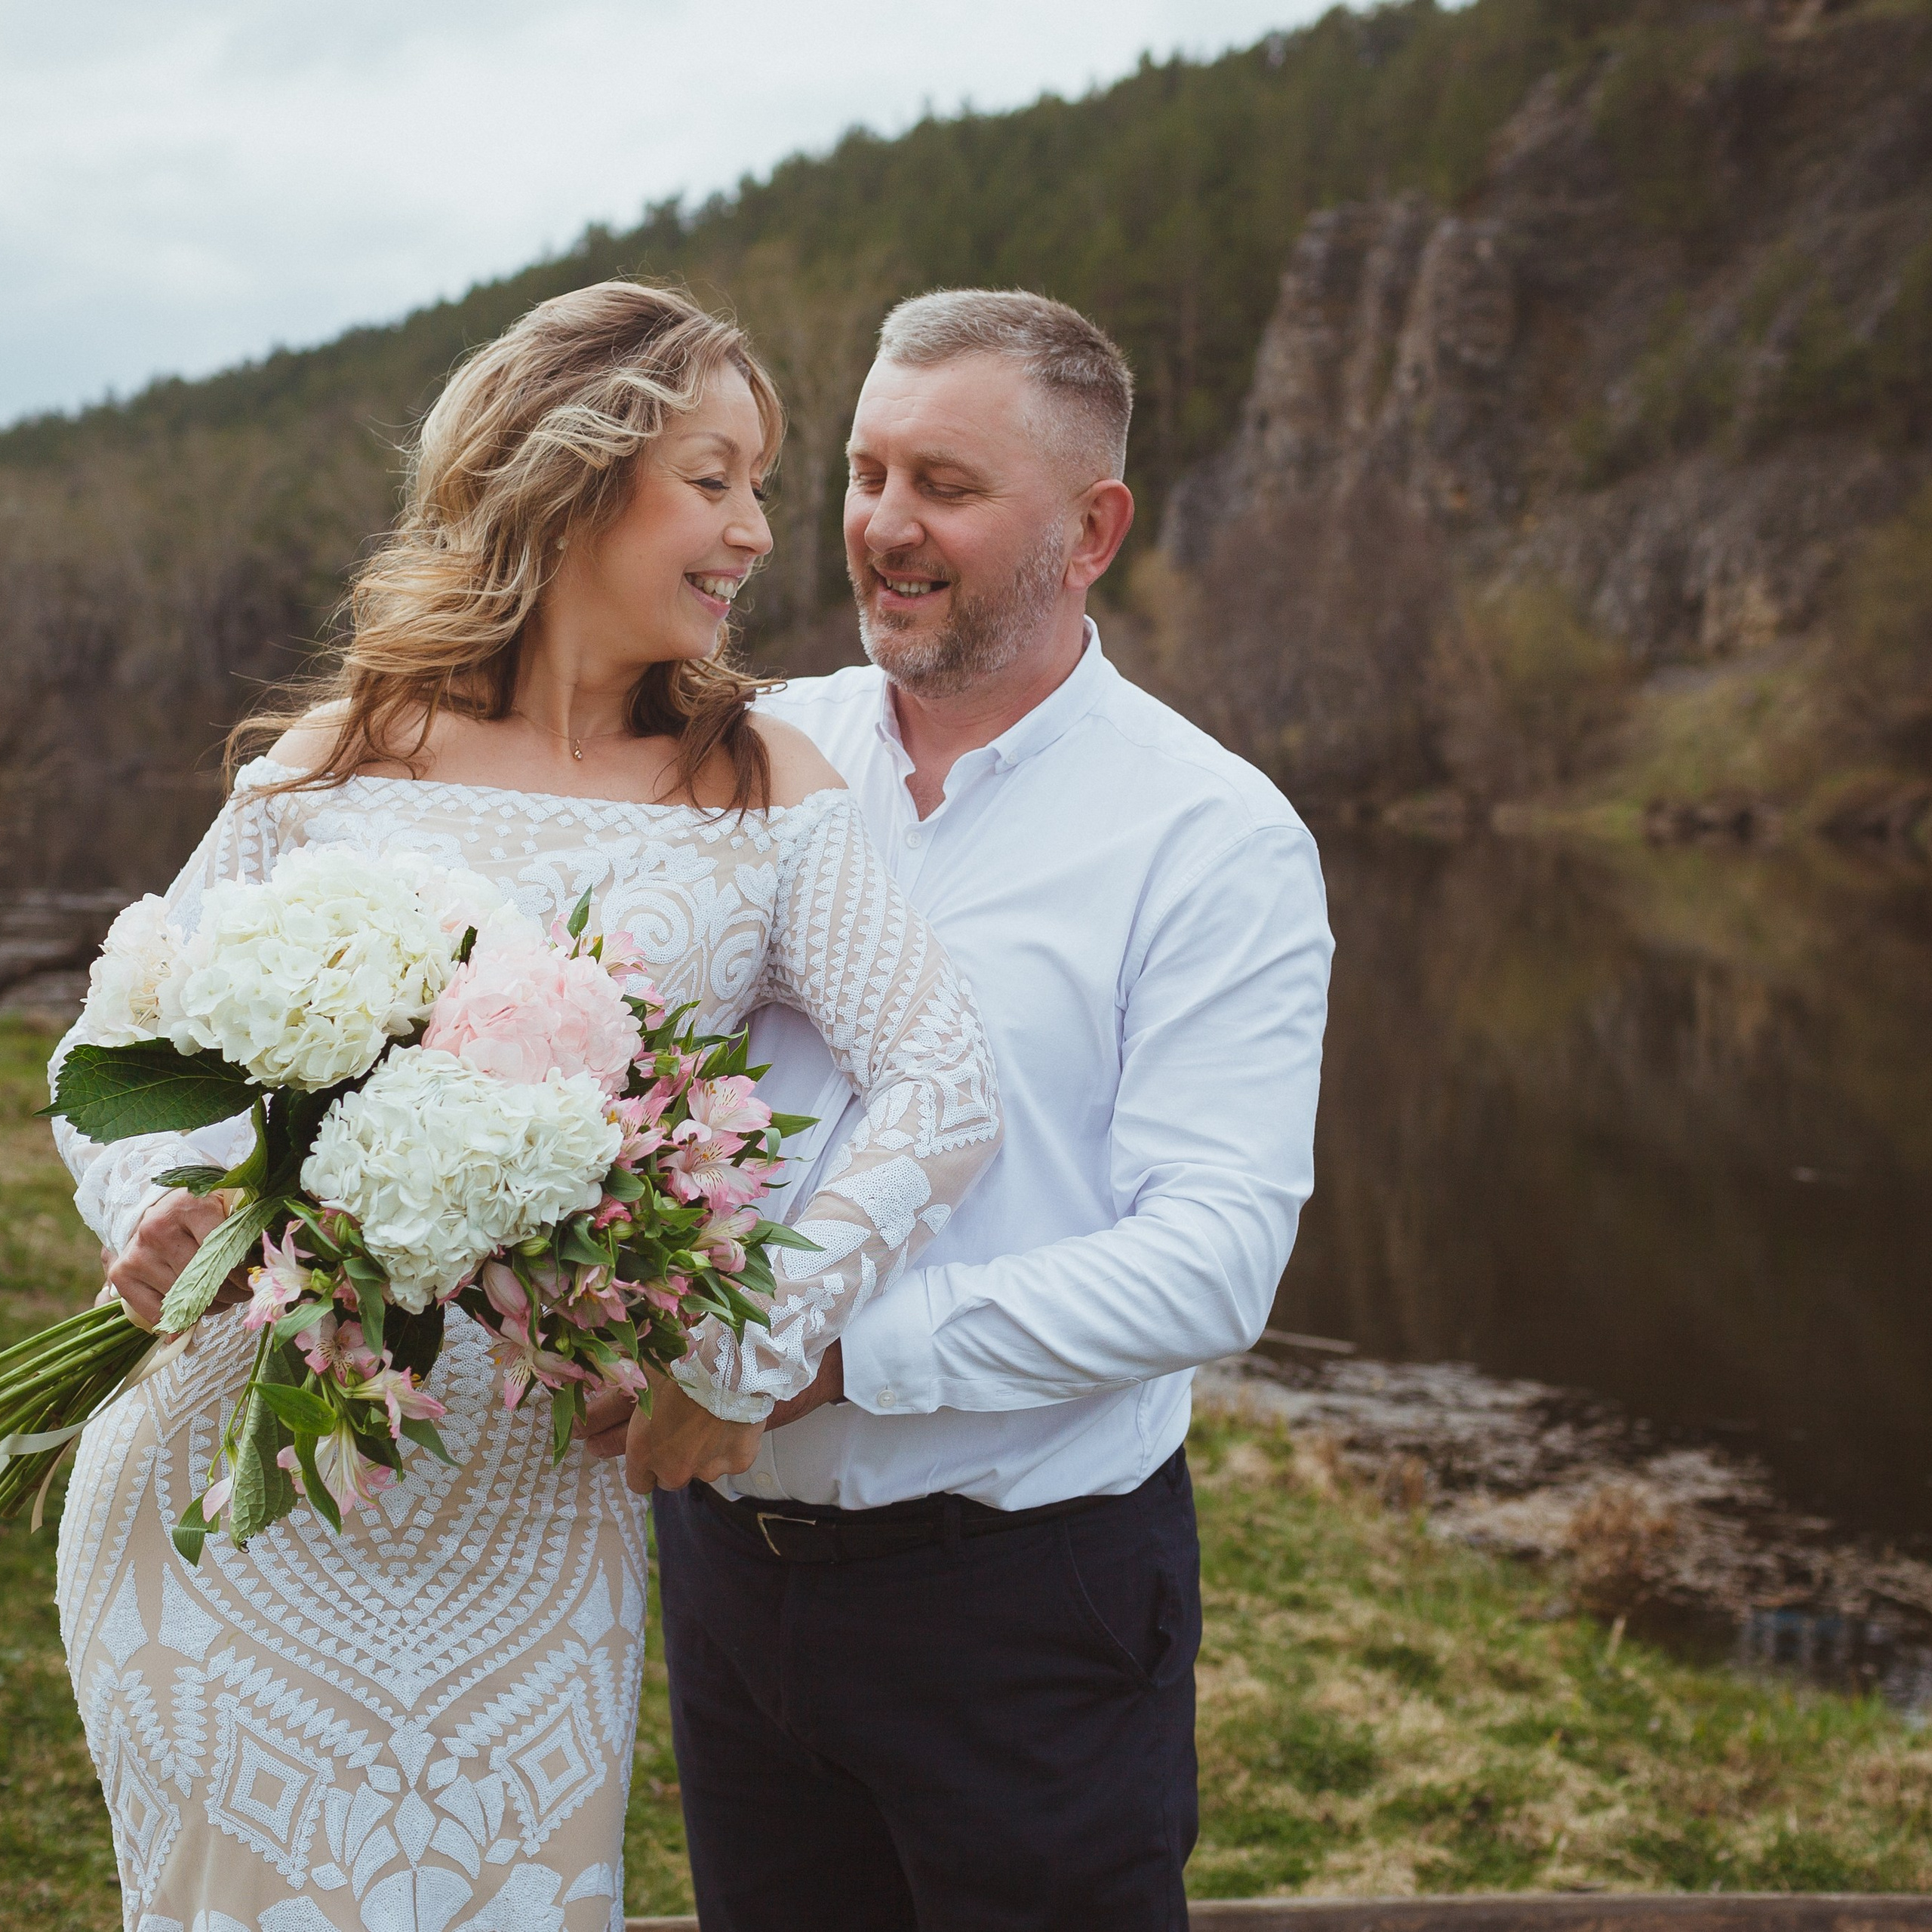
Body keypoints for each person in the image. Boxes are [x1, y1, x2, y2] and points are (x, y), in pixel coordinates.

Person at [49, 281, 1001, 1932]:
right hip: (247, 1469)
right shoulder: (337, 758)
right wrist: (153, 1207)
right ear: (571, 476)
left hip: (531, 1507)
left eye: (761, 484)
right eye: (712, 479)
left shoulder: (761, 785)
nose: (756, 530)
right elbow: (110, 1049)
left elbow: (947, 1084)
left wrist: (745, 1352)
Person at [617, 291, 1333, 1930]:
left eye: (943, 485)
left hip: (1024, 1605)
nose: (885, 525)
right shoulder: (746, 752)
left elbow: (1212, 1264)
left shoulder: (1211, 838)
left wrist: (824, 1355)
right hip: (727, 1575)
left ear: (1091, 531)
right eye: (866, 474)